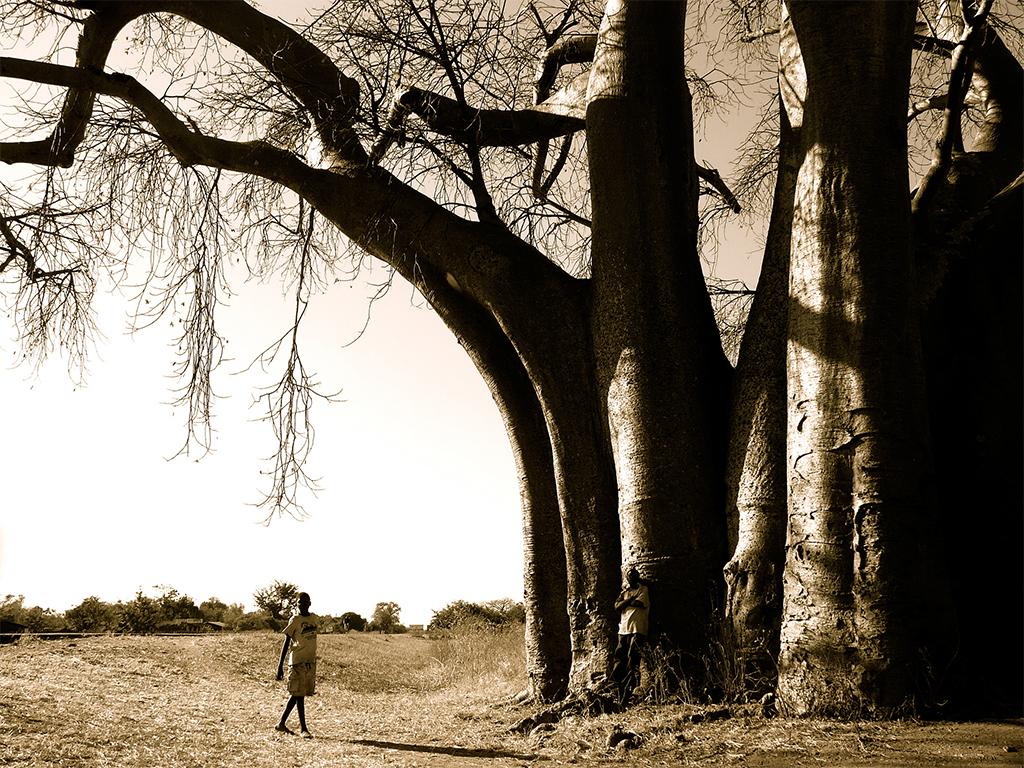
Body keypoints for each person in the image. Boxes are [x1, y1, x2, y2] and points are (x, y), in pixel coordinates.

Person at [275, 591, 318, 738]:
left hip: (309, 662)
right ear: (297, 604)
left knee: (298, 695)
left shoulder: (314, 618)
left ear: (310, 603)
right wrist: (280, 665)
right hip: (297, 661)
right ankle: (303, 728)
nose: (302, 604)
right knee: (298, 695)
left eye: (305, 602)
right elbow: (286, 642)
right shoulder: (295, 620)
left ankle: (281, 723)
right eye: (300, 602)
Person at [611, 567, 649, 704]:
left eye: (634, 576)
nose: (631, 578)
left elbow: (639, 603)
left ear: (637, 577)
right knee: (619, 657)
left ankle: (631, 688)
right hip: (623, 629)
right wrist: (629, 600)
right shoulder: (625, 592)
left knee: (632, 658)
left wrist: (625, 603)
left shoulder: (643, 589)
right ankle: (616, 686)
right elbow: (616, 606)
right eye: (629, 576)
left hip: (637, 629)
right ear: (626, 578)